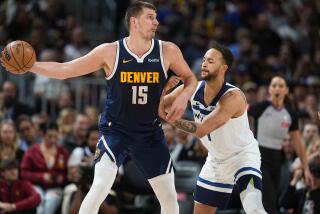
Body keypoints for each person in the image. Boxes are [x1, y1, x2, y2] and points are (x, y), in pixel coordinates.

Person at [1, 1, 198, 214]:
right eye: (150, 17)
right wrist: (31, 66)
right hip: (116, 130)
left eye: (156, 17)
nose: (156, 22)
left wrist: (184, 95)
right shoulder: (110, 52)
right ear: (134, 22)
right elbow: (66, 70)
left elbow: (190, 78)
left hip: (149, 131)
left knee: (169, 198)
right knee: (100, 186)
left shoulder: (167, 50)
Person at [162, 42, 267, 213]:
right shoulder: (192, 88)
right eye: (204, 60)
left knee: (253, 207)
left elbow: (202, 129)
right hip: (216, 160)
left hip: (243, 156)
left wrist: (170, 118)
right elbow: (161, 106)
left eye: (211, 61)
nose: (204, 64)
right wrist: (164, 89)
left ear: (224, 68)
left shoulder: (233, 97)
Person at [248, 76, 312, 214]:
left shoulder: (290, 113)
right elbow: (238, 113)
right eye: (274, 85)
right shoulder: (260, 108)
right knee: (268, 203)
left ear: (286, 90)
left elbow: (298, 143)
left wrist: (306, 168)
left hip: (277, 161)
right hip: (259, 161)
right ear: (270, 89)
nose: (277, 88)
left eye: (281, 85)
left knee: (272, 202)